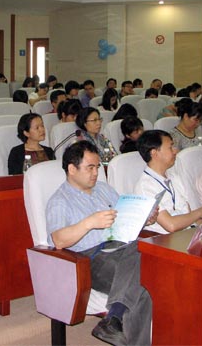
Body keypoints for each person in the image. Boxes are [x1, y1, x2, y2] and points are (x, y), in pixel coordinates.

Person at [46, 141, 152, 346]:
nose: (96, 173)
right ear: (72, 169)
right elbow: (58, 240)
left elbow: (124, 217)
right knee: (144, 274)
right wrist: (89, 223)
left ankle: (114, 319)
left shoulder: (103, 189)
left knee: (153, 270)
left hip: (123, 249)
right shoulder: (60, 200)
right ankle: (117, 316)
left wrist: (144, 218)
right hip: (91, 259)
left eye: (97, 167)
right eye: (90, 168)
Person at [135, 130, 202, 234]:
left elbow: (188, 217)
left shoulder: (174, 177)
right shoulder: (146, 186)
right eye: (170, 147)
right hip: (164, 240)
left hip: (186, 234)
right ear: (154, 153)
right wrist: (199, 212)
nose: (175, 151)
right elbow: (171, 225)